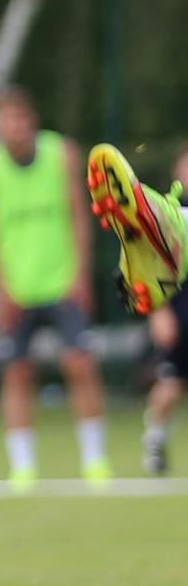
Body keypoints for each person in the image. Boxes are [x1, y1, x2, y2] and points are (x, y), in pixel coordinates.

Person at [0, 88, 107, 490]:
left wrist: (80, 275)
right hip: (16, 290)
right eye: (8, 119)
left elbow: (80, 215)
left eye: (22, 118)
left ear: (33, 120)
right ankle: (23, 467)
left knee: (80, 364)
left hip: (62, 282)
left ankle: (95, 460)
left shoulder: (61, 153)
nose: (17, 126)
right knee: (17, 373)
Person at [83, 141, 188, 477]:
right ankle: (155, 437)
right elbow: (153, 277)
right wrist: (158, 311)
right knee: (171, 385)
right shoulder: (177, 211)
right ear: (177, 171)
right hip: (180, 313)